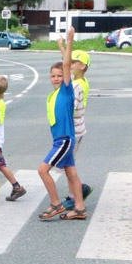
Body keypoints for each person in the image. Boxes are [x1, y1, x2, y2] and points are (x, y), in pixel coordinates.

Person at [37, 26, 87, 221]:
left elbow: (66, 65)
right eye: (53, 76)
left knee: (42, 170)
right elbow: (64, 64)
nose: (56, 78)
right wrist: (60, 46)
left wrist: (70, 40)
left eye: (59, 76)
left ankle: (56, 204)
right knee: (71, 172)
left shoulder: (67, 90)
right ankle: (80, 208)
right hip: (61, 139)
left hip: (65, 139)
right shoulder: (54, 94)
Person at [56, 40, 93, 209]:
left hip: (74, 130)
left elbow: (73, 107)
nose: (71, 64)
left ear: (83, 66)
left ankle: (76, 193)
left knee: (67, 165)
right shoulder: (79, 80)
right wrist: (62, 47)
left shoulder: (77, 85)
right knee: (67, 164)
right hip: (76, 129)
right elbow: (65, 64)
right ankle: (76, 191)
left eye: (75, 63)